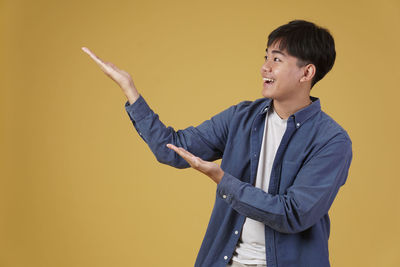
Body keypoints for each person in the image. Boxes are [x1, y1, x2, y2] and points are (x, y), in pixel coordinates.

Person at [82, 19, 352, 267]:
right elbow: (174, 149)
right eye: (266, 57)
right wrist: (130, 91)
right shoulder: (241, 117)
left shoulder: (331, 141)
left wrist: (223, 180)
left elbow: (292, 214)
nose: (265, 67)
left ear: (307, 73)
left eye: (277, 59)